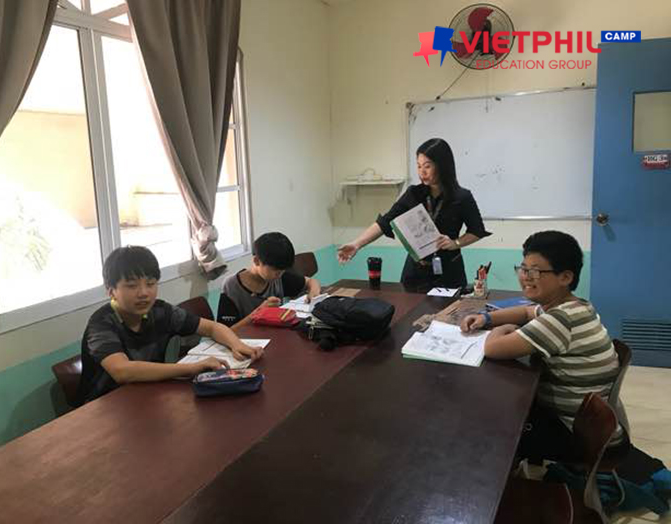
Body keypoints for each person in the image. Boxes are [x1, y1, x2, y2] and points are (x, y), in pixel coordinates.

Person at [460, 231, 630, 463]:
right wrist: (486, 318)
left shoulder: (560, 320)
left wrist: (506, 327)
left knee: (491, 422)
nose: (526, 277)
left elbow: (492, 348)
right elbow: (527, 311)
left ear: (565, 277)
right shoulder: (575, 306)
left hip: (577, 438)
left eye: (536, 271)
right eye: (523, 268)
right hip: (589, 427)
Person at [79, 246, 263, 404]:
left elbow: (212, 327)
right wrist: (192, 368)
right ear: (111, 291)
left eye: (150, 283)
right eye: (132, 286)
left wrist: (237, 345)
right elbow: (122, 371)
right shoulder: (100, 323)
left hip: (148, 396)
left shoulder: (160, 311)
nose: (144, 293)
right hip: (105, 408)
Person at [337, 138, 490, 290]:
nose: (422, 172)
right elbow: (385, 222)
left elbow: (477, 231)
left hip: (449, 272)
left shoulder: (462, 197)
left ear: (442, 165)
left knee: (450, 306)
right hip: (415, 273)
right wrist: (357, 244)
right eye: (418, 166)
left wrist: (455, 243)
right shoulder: (413, 194)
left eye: (427, 166)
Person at [217, 232, 322, 330]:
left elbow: (311, 282)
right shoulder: (231, 286)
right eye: (275, 270)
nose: (279, 274)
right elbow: (226, 332)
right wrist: (259, 313)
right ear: (256, 261)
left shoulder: (278, 277)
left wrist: (313, 293)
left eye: (282, 270)